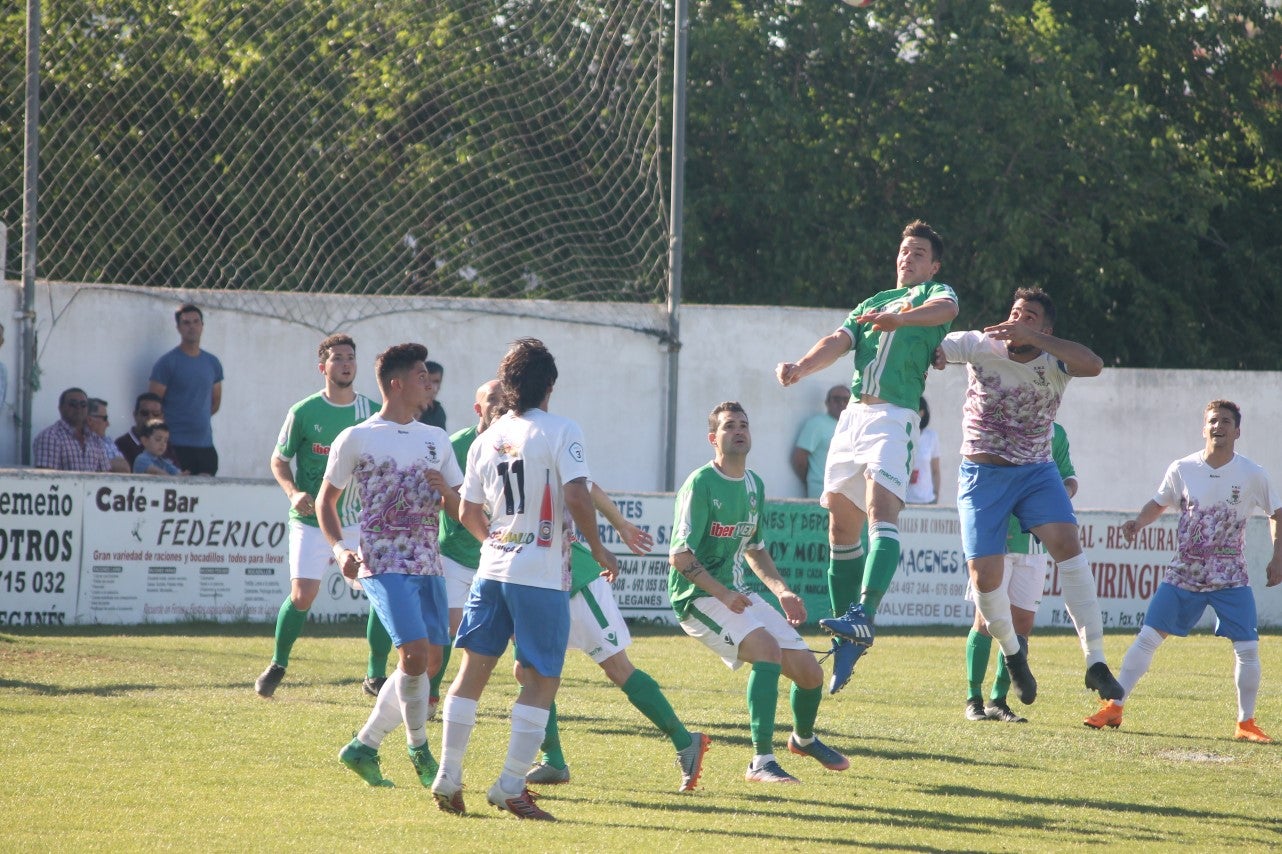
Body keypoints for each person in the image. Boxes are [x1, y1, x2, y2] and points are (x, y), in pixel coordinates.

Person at [431, 338, 617, 821]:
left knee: (472, 672)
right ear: (549, 386)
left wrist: (493, 540)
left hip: (491, 570)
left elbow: (469, 510)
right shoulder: (561, 429)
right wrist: (597, 548)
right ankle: (511, 785)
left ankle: (448, 775)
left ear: (508, 386)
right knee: (541, 680)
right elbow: (577, 493)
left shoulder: (484, 439)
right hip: (538, 574)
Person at [776, 220, 958, 693]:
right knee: (839, 523)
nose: (907, 258)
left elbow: (947, 308)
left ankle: (864, 612)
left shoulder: (935, 294)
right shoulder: (872, 303)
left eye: (918, 252)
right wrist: (801, 366)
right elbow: (838, 341)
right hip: (853, 417)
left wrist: (902, 318)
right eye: (903, 250)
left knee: (882, 511)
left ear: (933, 264)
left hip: (894, 416)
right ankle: (847, 637)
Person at [936, 287, 1122, 708]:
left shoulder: (1056, 358)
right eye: (1015, 311)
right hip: (983, 474)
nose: (1018, 319)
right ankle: (1014, 656)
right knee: (984, 579)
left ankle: (1095, 662)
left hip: (1037, 471)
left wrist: (1037, 341)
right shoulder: (980, 344)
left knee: (1069, 549)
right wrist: (935, 353)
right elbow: (939, 345)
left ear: (1045, 328)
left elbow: (1093, 364)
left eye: (1030, 317)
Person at [669, 401, 849, 784]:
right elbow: (680, 556)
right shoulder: (700, 483)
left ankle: (803, 739)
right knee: (766, 650)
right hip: (696, 598)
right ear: (712, 438)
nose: (739, 431)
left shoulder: (754, 485)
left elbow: (755, 548)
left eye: (744, 425)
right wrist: (721, 594)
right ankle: (761, 762)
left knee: (811, 674)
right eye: (729, 425)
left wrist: (782, 590)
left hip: (736, 592)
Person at [1084, 400, 1282, 742]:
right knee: (1147, 638)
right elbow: (1159, 502)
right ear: (1203, 428)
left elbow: (1276, 513)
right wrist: (1138, 522)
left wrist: (1278, 556)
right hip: (1184, 574)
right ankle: (1114, 707)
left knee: (1247, 648)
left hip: (1230, 577)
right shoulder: (1183, 467)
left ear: (1238, 431)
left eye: (1225, 421)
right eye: (1212, 421)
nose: (1217, 427)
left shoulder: (1253, 473)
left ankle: (1245, 723)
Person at [322, 343, 463, 789]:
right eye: (422, 375)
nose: (430, 383)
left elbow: (459, 507)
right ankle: (419, 745)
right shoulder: (357, 437)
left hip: (428, 563)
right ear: (398, 384)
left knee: (429, 659)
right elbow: (327, 502)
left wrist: (449, 494)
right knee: (415, 654)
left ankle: (364, 745)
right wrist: (340, 550)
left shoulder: (436, 438)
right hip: (382, 562)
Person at [520, 483, 709, 792]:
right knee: (530, 672)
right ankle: (552, 759)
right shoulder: (488, 456)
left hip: (574, 579)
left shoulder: (543, 442)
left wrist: (620, 526)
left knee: (617, 668)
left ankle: (686, 741)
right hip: (525, 582)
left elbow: (584, 487)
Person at [254, 334, 391, 699]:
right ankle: (278, 662)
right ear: (322, 367)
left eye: (350, 357)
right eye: (337, 358)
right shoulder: (303, 412)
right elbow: (279, 460)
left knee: (380, 592)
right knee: (302, 596)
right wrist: (293, 492)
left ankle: (375, 674)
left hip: (358, 519)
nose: (345, 363)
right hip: (311, 520)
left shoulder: (372, 413)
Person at [964, 422, 1076, 723]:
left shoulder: (1057, 434)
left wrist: (1051, 495)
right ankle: (973, 698)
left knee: (1022, 622)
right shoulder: (997, 426)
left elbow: (1069, 479)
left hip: (1034, 543)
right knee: (986, 620)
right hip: (995, 539)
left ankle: (998, 701)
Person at [430, 378, 504, 714]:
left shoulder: (518, 446)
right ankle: (431, 694)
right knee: (448, 629)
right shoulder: (456, 445)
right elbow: (444, 499)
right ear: (478, 408)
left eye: (506, 398)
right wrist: (457, 502)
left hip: (502, 558)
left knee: (508, 640)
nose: (499, 404)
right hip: (457, 554)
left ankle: (535, 714)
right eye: (492, 399)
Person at [149, 303, 223, 475]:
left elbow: (215, 401)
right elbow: (153, 405)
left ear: (202, 326)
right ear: (178, 327)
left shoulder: (212, 363)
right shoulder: (167, 363)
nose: (192, 327)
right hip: (175, 445)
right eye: (186, 323)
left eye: (196, 322)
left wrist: (196, 416)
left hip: (205, 445)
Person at [33, 388, 118, 472]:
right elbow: (46, 479)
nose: (78, 408)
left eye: (83, 404)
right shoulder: (50, 437)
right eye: (73, 404)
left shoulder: (95, 440)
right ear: (60, 408)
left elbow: (104, 477)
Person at [790, 385, 850, 499]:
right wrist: (813, 481)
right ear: (827, 402)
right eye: (836, 399)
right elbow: (799, 459)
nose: (841, 403)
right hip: (822, 493)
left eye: (846, 400)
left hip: (847, 494)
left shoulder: (852, 426)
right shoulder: (816, 424)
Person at [116, 392, 179, 469]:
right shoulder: (121, 444)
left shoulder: (165, 444)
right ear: (135, 415)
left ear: (162, 417)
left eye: (156, 414)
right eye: (144, 413)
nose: (150, 417)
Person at [905, 397, 941, 504]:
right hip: (904, 500)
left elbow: (936, 471)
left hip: (927, 500)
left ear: (922, 413)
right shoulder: (901, 435)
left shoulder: (931, 436)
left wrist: (936, 495)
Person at [86, 398, 131, 473]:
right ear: (90, 419)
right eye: (105, 418)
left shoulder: (107, 441)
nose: (108, 424)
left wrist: (100, 465)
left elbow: (124, 468)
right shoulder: (79, 442)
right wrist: (108, 465)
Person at [416, 360, 447, 429]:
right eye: (427, 380)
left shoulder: (439, 410)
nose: (431, 386)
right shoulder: (412, 408)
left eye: (435, 381)